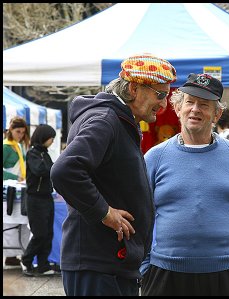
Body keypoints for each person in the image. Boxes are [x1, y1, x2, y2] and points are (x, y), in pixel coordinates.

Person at [50, 53, 176, 296]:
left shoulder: (117, 120)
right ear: (133, 88)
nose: (163, 104)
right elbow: (65, 170)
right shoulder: (105, 120)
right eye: (160, 94)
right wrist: (105, 213)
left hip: (109, 263)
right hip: (98, 264)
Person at [140, 73, 229, 296]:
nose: (195, 109)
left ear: (217, 114)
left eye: (204, 105)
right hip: (164, 275)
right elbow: (140, 217)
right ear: (178, 108)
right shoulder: (154, 158)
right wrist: (145, 270)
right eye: (189, 102)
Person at [20, 124, 57, 276]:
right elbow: (40, 170)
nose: (52, 141)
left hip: (47, 197)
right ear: (44, 137)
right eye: (51, 138)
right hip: (35, 199)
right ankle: (26, 260)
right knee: (40, 233)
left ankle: (43, 264)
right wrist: (55, 168)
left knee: (48, 233)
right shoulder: (33, 153)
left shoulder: (45, 154)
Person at [3, 116, 30, 267]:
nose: (20, 135)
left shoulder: (19, 146)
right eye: (18, 131)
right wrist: (15, 177)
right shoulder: (6, 147)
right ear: (10, 130)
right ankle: (10, 255)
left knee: (19, 225)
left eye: (22, 132)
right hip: (8, 190)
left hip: (20, 189)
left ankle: (15, 254)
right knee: (9, 225)